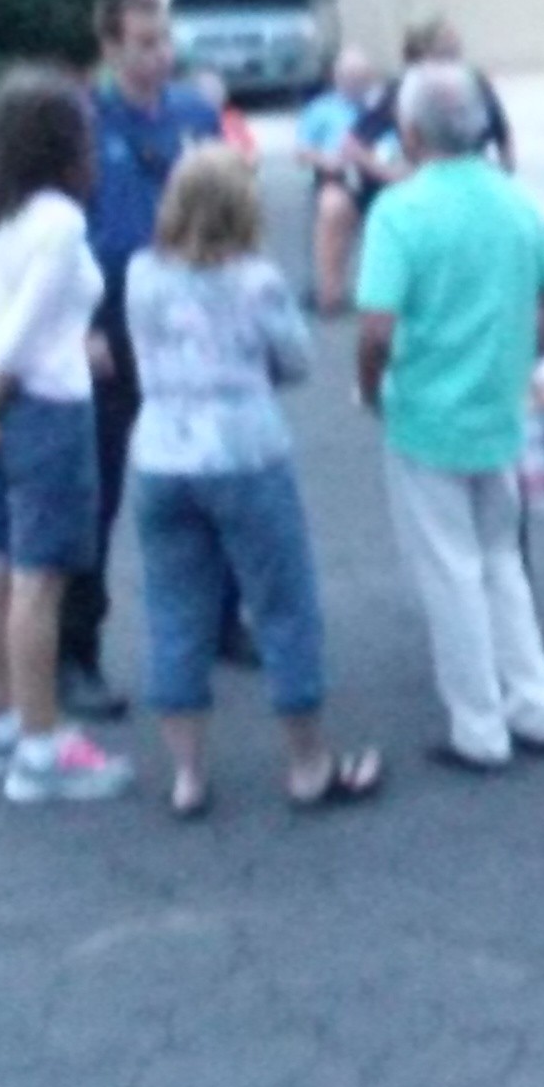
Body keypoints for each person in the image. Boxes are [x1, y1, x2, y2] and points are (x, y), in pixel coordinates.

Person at [125, 145, 382, 818]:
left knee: (175, 609)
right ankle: (306, 764)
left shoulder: (142, 274)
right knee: (284, 606)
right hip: (244, 452)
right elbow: (294, 359)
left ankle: (188, 776)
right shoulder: (255, 280)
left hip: (160, 454)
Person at [356, 62, 544, 772]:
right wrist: (524, 360)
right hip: (495, 409)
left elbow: (377, 327)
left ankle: (478, 726)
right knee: (501, 561)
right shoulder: (514, 201)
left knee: (450, 573)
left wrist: (370, 388)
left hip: (426, 412)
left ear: (412, 132)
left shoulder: (400, 210)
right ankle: (536, 704)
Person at [0, 70, 136, 805]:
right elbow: (16, 338)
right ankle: (43, 749)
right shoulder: (59, 221)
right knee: (40, 582)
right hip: (48, 412)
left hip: (2, 412)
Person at [70, 0, 222, 721]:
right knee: (96, 493)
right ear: (110, 48)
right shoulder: (82, 120)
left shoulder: (194, 114)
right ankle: (78, 653)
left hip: (189, 316)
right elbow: (62, 232)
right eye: (143, 43)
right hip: (110, 320)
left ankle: (221, 620)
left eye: (165, 41)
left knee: (213, 471)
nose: (160, 56)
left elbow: (227, 207)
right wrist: (79, 326)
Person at [343, 18, 515, 214]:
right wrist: (395, 176)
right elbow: (352, 145)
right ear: (422, 50)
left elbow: (503, 135)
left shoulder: (475, 82)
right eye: (445, 42)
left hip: (474, 181)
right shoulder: (400, 88)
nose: (455, 45)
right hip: (426, 188)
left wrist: (504, 178)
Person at [295, 48, 376, 314]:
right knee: (332, 207)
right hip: (340, 178)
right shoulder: (320, 109)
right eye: (350, 76)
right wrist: (326, 160)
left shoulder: (380, 108)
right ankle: (330, 290)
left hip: (381, 177)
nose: (356, 83)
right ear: (337, 78)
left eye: (361, 77)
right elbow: (302, 152)